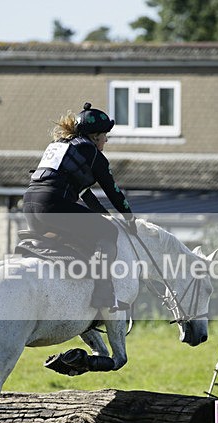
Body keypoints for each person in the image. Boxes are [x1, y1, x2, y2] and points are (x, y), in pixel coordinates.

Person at [23, 102, 136, 312]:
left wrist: (105, 216)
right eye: (104, 135)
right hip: (52, 205)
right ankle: (103, 294)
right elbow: (114, 192)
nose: (106, 140)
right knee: (109, 232)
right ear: (95, 136)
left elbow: (86, 195)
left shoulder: (62, 146)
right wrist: (130, 218)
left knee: (81, 235)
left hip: (29, 204)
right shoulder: (92, 154)